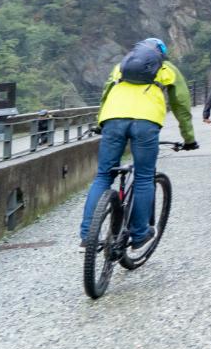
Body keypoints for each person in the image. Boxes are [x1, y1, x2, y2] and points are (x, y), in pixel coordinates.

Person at [78, 37, 198, 250]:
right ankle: (139, 233)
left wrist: (100, 123)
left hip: (113, 120)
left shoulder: (121, 66)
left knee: (104, 175)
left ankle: (88, 235)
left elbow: (106, 93)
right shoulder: (167, 68)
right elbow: (181, 103)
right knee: (144, 176)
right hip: (146, 122)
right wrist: (189, 138)